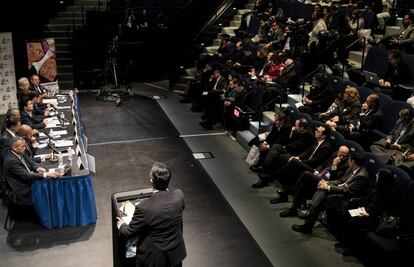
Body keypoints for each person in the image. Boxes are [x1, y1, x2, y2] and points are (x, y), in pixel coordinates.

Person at [117, 163, 186, 267]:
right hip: (175, 254)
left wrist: (121, 225)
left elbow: (129, 232)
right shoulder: (179, 196)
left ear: (151, 181)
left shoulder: (144, 207)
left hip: (155, 260)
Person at [291, 152, 371, 234]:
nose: (348, 161)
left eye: (349, 159)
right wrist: (326, 183)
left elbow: (347, 190)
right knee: (321, 189)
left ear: (353, 161)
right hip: (339, 190)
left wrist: (328, 187)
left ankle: (309, 217)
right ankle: (309, 219)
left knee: (320, 189)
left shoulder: (362, 176)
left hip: (347, 198)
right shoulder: (352, 168)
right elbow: (341, 181)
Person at [3, 137, 60, 221]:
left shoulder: (19, 152)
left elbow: (31, 162)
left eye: (24, 146)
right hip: (23, 188)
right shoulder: (11, 161)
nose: (25, 148)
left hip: (28, 179)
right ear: (14, 148)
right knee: (49, 184)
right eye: (22, 146)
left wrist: (37, 168)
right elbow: (26, 176)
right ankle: (49, 214)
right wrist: (45, 174)